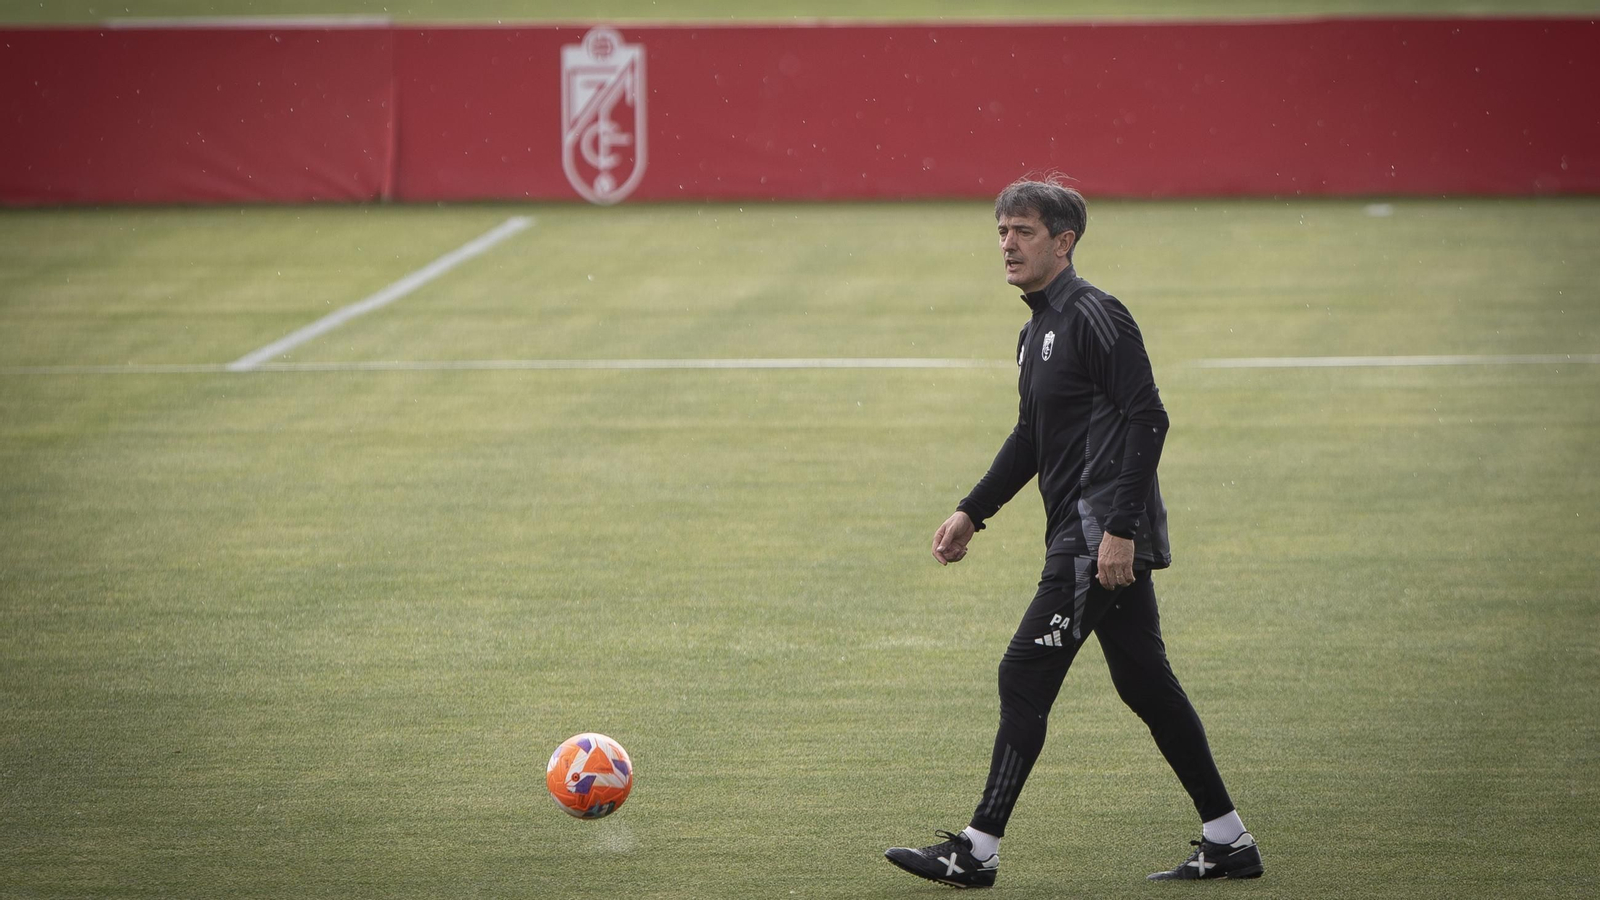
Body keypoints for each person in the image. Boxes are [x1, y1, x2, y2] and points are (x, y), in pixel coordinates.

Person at [884, 177, 1262, 887]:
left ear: (1064, 242)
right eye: (1002, 231)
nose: (1007, 244)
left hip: (1096, 536)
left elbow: (1149, 417)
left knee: (1023, 672)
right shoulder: (1034, 332)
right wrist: (972, 511)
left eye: (1023, 232)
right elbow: (1031, 437)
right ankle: (1229, 840)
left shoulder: (1096, 314)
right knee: (1145, 682)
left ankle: (977, 850)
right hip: (1086, 532)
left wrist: (1120, 529)